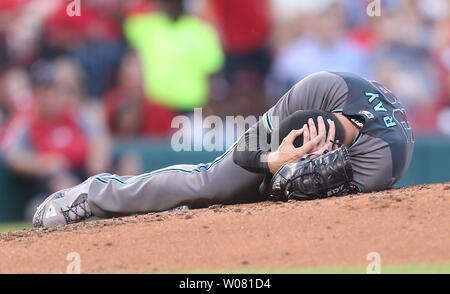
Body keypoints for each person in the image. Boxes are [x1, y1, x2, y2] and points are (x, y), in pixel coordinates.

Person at [33, 71, 414, 228]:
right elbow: (251, 155)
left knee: (278, 191)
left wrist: (286, 177)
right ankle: (93, 193)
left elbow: (303, 190)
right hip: (326, 91)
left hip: (374, 136)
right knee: (214, 183)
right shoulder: (305, 115)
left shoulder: (376, 170)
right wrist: (274, 160)